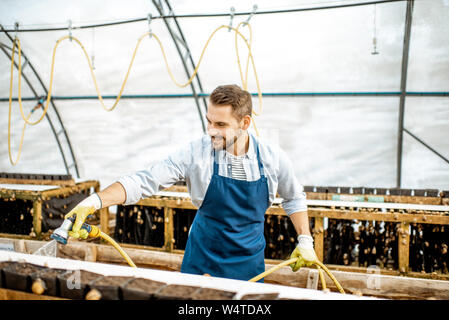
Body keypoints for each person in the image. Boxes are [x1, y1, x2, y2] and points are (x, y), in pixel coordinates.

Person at [65, 84, 319, 281]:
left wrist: (305, 241)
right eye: (208, 121)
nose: (211, 130)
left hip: (248, 264)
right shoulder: (195, 154)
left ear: (245, 123)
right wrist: (94, 201)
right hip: (202, 260)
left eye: (221, 124)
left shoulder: (273, 159)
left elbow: (294, 197)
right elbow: (144, 181)